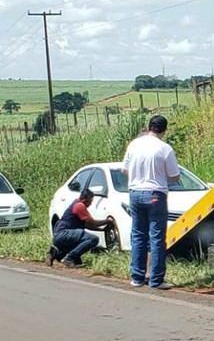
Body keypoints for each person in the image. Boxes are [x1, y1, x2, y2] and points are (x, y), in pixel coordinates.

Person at [123, 115, 180, 289]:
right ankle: (156, 279)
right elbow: (175, 176)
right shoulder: (165, 149)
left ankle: (137, 277)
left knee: (138, 235)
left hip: (134, 192)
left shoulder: (134, 144)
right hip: (155, 193)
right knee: (156, 238)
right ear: (164, 130)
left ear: (148, 127)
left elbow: (125, 170)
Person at [46, 188, 114, 268]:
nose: (90, 204)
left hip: (61, 236)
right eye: (90, 201)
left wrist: (102, 229)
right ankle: (70, 257)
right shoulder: (79, 206)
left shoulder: (76, 204)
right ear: (84, 199)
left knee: (80, 251)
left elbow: (87, 225)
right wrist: (107, 221)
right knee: (93, 239)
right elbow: (93, 223)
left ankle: (54, 253)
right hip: (64, 234)